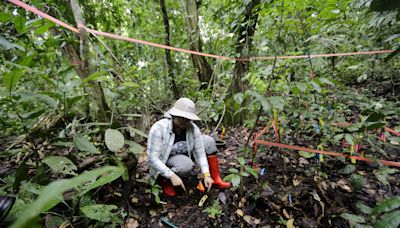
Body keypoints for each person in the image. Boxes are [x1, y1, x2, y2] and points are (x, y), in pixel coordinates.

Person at [147, 97, 231, 197]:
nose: (185, 121)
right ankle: (166, 180)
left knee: (208, 141)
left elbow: (200, 153)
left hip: (186, 152)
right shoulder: (159, 128)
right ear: (174, 115)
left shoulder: (192, 128)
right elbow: (152, 158)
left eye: (188, 118)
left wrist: (206, 174)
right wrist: (171, 175)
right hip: (166, 158)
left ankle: (215, 179)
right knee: (186, 165)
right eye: (182, 117)